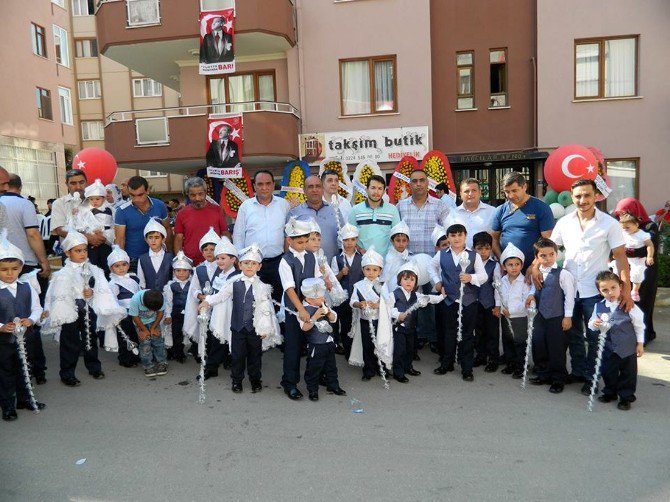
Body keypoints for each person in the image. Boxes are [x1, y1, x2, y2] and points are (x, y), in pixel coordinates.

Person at [545, 179, 632, 395]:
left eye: (587, 195)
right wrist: (536, 267)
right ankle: (579, 371)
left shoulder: (609, 224)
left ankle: (592, 378)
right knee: (572, 335)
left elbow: (620, 258)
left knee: (595, 337)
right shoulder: (564, 222)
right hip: (569, 290)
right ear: (572, 197)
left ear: (595, 196)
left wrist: (627, 290)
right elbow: (549, 248)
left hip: (595, 292)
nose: (582, 200)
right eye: (578, 196)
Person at [42, 231, 125, 387]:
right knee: (70, 342)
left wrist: (92, 293)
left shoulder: (94, 270)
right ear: (68, 252)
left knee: (90, 338)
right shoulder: (62, 274)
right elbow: (54, 294)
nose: (82, 254)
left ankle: (94, 366)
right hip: (70, 311)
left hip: (88, 308)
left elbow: (102, 288)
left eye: (84, 250)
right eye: (77, 251)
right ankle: (67, 373)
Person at [202, 244, 280, 393]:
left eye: (253, 263)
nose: (249, 266)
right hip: (237, 328)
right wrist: (207, 301)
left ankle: (255, 380)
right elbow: (221, 296)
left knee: (255, 357)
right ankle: (236, 381)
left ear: (259, 266)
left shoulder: (263, 287)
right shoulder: (233, 283)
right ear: (240, 264)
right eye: (246, 263)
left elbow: (267, 310)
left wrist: (266, 328)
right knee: (237, 357)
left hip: (255, 329)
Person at [431, 224, 487, 381]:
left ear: (465, 236)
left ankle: (467, 368)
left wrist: (471, 278)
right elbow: (431, 267)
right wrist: (437, 282)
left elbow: (483, 276)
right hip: (449, 300)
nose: (456, 238)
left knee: (467, 334)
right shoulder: (442, 254)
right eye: (453, 235)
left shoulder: (473, 255)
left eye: (459, 235)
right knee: (448, 332)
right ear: (448, 237)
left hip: (469, 301)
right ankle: (446, 363)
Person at [0, 234, 46, 421]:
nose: (9, 273)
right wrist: (2, 326)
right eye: (4, 270)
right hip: (3, 341)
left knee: (25, 367)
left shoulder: (27, 286)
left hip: (26, 337)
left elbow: (37, 308)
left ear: (20, 268)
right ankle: (8, 405)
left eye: (14, 269)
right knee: (5, 372)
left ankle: (25, 398)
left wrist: (32, 320)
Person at [588, 271, 645, 411]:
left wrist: (640, 343)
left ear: (620, 287)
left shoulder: (629, 305)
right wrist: (594, 324)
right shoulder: (599, 306)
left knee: (628, 373)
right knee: (608, 371)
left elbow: (639, 325)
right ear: (600, 292)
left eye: (613, 288)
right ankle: (610, 392)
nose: (610, 292)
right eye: (605, 290)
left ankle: (626, 397)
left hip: (627, 347)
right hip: (608, 347)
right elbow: (591, 323)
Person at [233, 170, 290, 305]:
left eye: (268, 183)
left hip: (278, 262)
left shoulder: (284, 205)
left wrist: (288, 257)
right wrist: (240, 260)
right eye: (260, 184)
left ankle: (279, 326)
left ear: (273, 185)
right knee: (254, 303)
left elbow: (288, 234)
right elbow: (239, 234)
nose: (264, 187)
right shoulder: (246, 206)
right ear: (254, 186)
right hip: (252, 264)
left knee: (279, 301)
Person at [279, 217, 320, 400]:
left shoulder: (311, 256)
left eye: (306, 241)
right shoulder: (286, 261)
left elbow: (317, 281)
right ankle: (289, 382)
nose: (304, 245)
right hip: (295, 309)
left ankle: (316, 379)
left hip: (312, 306)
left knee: (317, 343)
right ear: (289, 240)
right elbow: (289, 288)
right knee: (294, 347)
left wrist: (318, 304)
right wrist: (301, 310)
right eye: (300, 242)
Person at [528, 238, 576, 393]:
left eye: (551, 254)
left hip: (557, 315)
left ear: (556, 254)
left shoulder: (563, 274)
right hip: (540, 315)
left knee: (557, 347)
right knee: (539, 343)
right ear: (537, 257)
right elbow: (533, 289)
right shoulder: (536, 273)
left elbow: (570, 296)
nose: (547, 258)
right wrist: (530, 296)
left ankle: (558, 378)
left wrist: (567, 316)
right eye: (543, 256)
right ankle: (543, 373)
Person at [614, 198, 659, 344]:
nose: (622, 217)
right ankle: (627, 335)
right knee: (625, 302)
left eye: (625, 213)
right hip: (627, 269)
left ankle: (643, 337)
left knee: (643, 303)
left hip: (645, 271)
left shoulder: (649, 227)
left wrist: (622, 251)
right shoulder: (621, 226)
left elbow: (645, 250)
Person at [388, 262, 442, 383]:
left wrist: (442, 297)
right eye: (406, 279)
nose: (409, 282)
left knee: (410, 349)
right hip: (399, 328)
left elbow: (429, 298)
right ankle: (398, 372)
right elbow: (388, 309)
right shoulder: (394, 294)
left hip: (411, 328)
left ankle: (408, 367)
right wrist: (397, 314)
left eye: (412, 280)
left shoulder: (416, 295)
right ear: (399, 280)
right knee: (399, 350)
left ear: (416, 283)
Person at [491, 172, 554, 271]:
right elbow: (494, 239)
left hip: (535, 269)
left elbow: (548, 241)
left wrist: (534, 266)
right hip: (509, 271)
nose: (511, 195)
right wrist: (502, 261)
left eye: (514, 190)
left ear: (524, 186)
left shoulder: (541, 207)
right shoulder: (501, 210)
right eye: (507, 192)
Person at [300, 277, 346, 401]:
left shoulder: (323, 304)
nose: (323, 299)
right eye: (320, 298)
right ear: (309, 299)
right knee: (314, 369)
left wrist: (328, 313)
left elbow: (334, 318)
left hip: (329, 342)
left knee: (331, 367)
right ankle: (313, 390)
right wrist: (314, 317)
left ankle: (333, 385)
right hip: (316, 345)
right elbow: (304, 327)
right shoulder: (303, 310)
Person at [495, 243, 535, 379]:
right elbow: (498, 294)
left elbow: (526, 302)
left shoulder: (525, 282)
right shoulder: (502, 280)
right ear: (504, 267)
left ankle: (521, 366)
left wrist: (511, 310)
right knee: (507, 340)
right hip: (505, 316)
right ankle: (510, 363)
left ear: (522, 265)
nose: (514, 267)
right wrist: (499, 307)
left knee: (519, 342)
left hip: (519, 317)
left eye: (517, 264)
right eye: (510, 265)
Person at [114, 176, 170, 272]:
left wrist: (169, 253)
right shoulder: (121, 211)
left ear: (147, 191)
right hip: (133, 260)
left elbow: (167, 229)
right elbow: (120, 240)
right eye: (132, 195)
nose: (136, 199)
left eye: (140, 195)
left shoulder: (160, 205)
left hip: (158, 257)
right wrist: (121, 263)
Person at [202, 237, 239, 379]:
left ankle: (231, 363)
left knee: (231, 339)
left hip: (230, 312)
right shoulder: (219, 274)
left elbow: (225, 295)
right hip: (218, 312)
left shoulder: (236, 276)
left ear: (233, 260)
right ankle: (212, 368)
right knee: (215, 339)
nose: (219, 261)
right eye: (218, 258)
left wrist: (208, 301)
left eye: (223, 258)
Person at [183, 228, 222, 362]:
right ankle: (203, 354)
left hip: (218, 305)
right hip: (204, 306)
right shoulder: (199, 269)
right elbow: (194, 289)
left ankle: (219, 356)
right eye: (206, 250)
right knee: (204, 329)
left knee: (217, 330)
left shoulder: (222, 267)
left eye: (212, 249)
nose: (209, 252)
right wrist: (200, 296)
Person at [173, 177, 229, 266]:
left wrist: (226, 257)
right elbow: (178, 240)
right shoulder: (182, 214)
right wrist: (180, 261)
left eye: (200, 194)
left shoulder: (217, 210)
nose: (197, 198)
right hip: (190, 263)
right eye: (193, 195)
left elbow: (225, 234)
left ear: (206, 192)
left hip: (216, 262)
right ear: (187, 194)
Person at [349, 247, 385, 381]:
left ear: (380, 271)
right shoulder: (358, 285)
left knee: (381, 343)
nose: (371, 273)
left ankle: (382, 367)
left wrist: (378, 305)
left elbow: (389, 302)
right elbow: (352, 301)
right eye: (368, 269)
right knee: (367, 345)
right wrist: (359, 304)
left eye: (375, 270)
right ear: (363, 270)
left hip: (380, 321)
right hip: (365, 320)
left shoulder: (383, 285)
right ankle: (368, 369)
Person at [51, 170, 106, 255]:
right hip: (73, 253)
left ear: (86, 183)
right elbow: (60, 230)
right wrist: (88, 237)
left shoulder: (96, 201)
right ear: (67, 184)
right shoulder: (59, 203)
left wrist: (102, 237)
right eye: (73, 183)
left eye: (81, 182)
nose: (78, 187)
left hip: (101, 249)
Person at [287, 175, 339, 263]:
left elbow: (343, 237)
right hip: (305, 267)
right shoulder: (294, 213)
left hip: (332, 267)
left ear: (322, 189)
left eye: (318, 186)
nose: (314, 190)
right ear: (304, 190)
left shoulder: (334, 210)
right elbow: (288, 242)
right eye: (310, 187)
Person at [331, 223, 363, 358]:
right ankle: (348, 350)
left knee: (357, 324)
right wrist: (341, 274)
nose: (349, 243)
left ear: (356, 240)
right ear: (341, 241)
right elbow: (333, 280)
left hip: (358, 297)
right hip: (343, 298)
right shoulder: (336, 259)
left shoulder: (362, 258)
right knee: (345, 324)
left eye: (352, 239)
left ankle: (358, 350)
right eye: (346, 240)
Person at [107, 246, 141, 368]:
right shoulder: (113, 283)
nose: (121, 268)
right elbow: (112, 299)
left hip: (136, 311)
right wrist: (118, 313)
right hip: (123, 313)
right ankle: (126, 358)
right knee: (125, 336)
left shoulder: (133, 278)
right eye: (117, 266)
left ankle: (137, 355)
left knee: (136, 333)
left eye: (123, 265)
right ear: (111, 268)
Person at [472, 231, 501, 373]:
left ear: (491, 248)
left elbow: (497, 286)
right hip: (474, 303)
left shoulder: (494, 265)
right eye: (480, 248)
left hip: (489, 304)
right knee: (478, 331)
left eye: (487, 248)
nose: (483, 252)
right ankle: (480, 356)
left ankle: (493, 359)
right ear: (474, 249)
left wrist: (497, 305)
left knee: (492, 332)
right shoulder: (470, 263)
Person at [349, 175, 400, 256]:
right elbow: (349, 235)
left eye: (380, 188)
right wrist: (359, 249)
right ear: (366, 190)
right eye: (373, 188)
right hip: (363, 260)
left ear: (384, 192)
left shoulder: (392, 210)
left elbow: (397, 235)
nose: (376, 192)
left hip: (386, 261)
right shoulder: (355, 210)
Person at [444, 178, 496, 249]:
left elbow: (497, 238)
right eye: (466, 191)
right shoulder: (452, 214)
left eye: (474, 190)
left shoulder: (493, 212)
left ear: (480, 192)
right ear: (460, 194)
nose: (470, 194)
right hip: (459, 258)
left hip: (484, 258)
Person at [162, 251, 193, 364]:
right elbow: (168, 301)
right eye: (178, 270)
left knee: (189, 331)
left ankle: (191, 350)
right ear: (174, 272)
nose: (181, 273)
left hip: (189, 312)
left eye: (185, 270)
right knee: (176, 333)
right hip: (176, 313)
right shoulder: (171, 285)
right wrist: (168, 315)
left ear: (190, 271)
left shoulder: (192, 285)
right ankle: (177, 352)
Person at [129, 289, 168, 378]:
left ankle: (162, 362)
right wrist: (144, 330)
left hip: (154, 321)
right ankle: (148, 366)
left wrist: (154, 328)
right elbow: (134, 316)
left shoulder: (159, 297)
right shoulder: (135, 300)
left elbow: (160, 313)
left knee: (158, 342)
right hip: (140, 323)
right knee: (145, 344)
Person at [617, 213, 654, 302]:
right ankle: (619, 290)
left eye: (627, 227)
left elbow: (650, 246)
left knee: (637, 273)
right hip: (625, 256)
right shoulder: (623, 233)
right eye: (623, 228)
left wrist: (649, 257)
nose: (625, 230)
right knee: (617, 270)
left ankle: (635, 291)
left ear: (636, 225)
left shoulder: (642, 235)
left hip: (638, 259)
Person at [81, 179, 115, 275]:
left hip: (107, 240)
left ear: (103, 199)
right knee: (93, 264)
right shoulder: (86, 211)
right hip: (91, 240)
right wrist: (92, 232)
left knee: (107, 263)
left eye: (97, 199)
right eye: (91, 199)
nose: (94, 201)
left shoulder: (110, 210)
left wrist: (105, 235)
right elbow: (83, 224)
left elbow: (113, 224)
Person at [137, 218, 174, 291]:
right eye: (150, 237)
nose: (153, 241)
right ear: (146, 239)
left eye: (157, 238)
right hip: (149, 298)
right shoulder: (142, 259)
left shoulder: (170, 257)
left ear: (163, 239)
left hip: (167, 297)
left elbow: (174, 279)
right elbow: (141, 282)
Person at [380, 220, 412, 294]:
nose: (401, 244)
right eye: (398, 240)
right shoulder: (387, 257)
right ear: (392, 241)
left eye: (404, 241)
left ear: (408, 242)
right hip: (390, 290)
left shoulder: (410, 257)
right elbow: (384, 277)